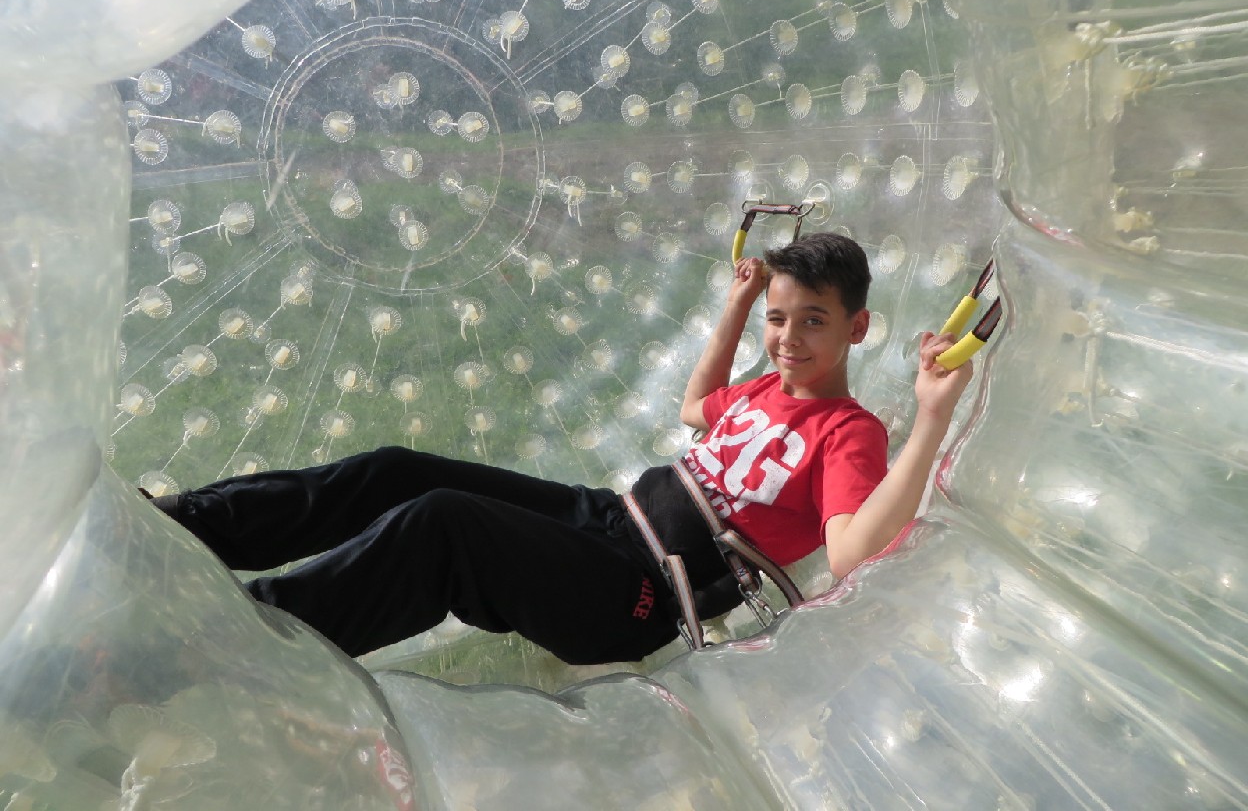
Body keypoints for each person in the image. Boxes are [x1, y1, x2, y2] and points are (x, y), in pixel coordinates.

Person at [151, 233, 973, 663]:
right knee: (396, 470)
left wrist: (932, 416)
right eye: (779, 320)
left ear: (857, 328)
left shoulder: (849, 431)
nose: (789, 339)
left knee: (445, 524)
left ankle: (249, 636)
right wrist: (738, 305)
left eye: (814, 322)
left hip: (639, 593)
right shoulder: (764, 389)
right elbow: (695, 406)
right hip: (604, 520)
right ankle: (182, 526)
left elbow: (853, 552)